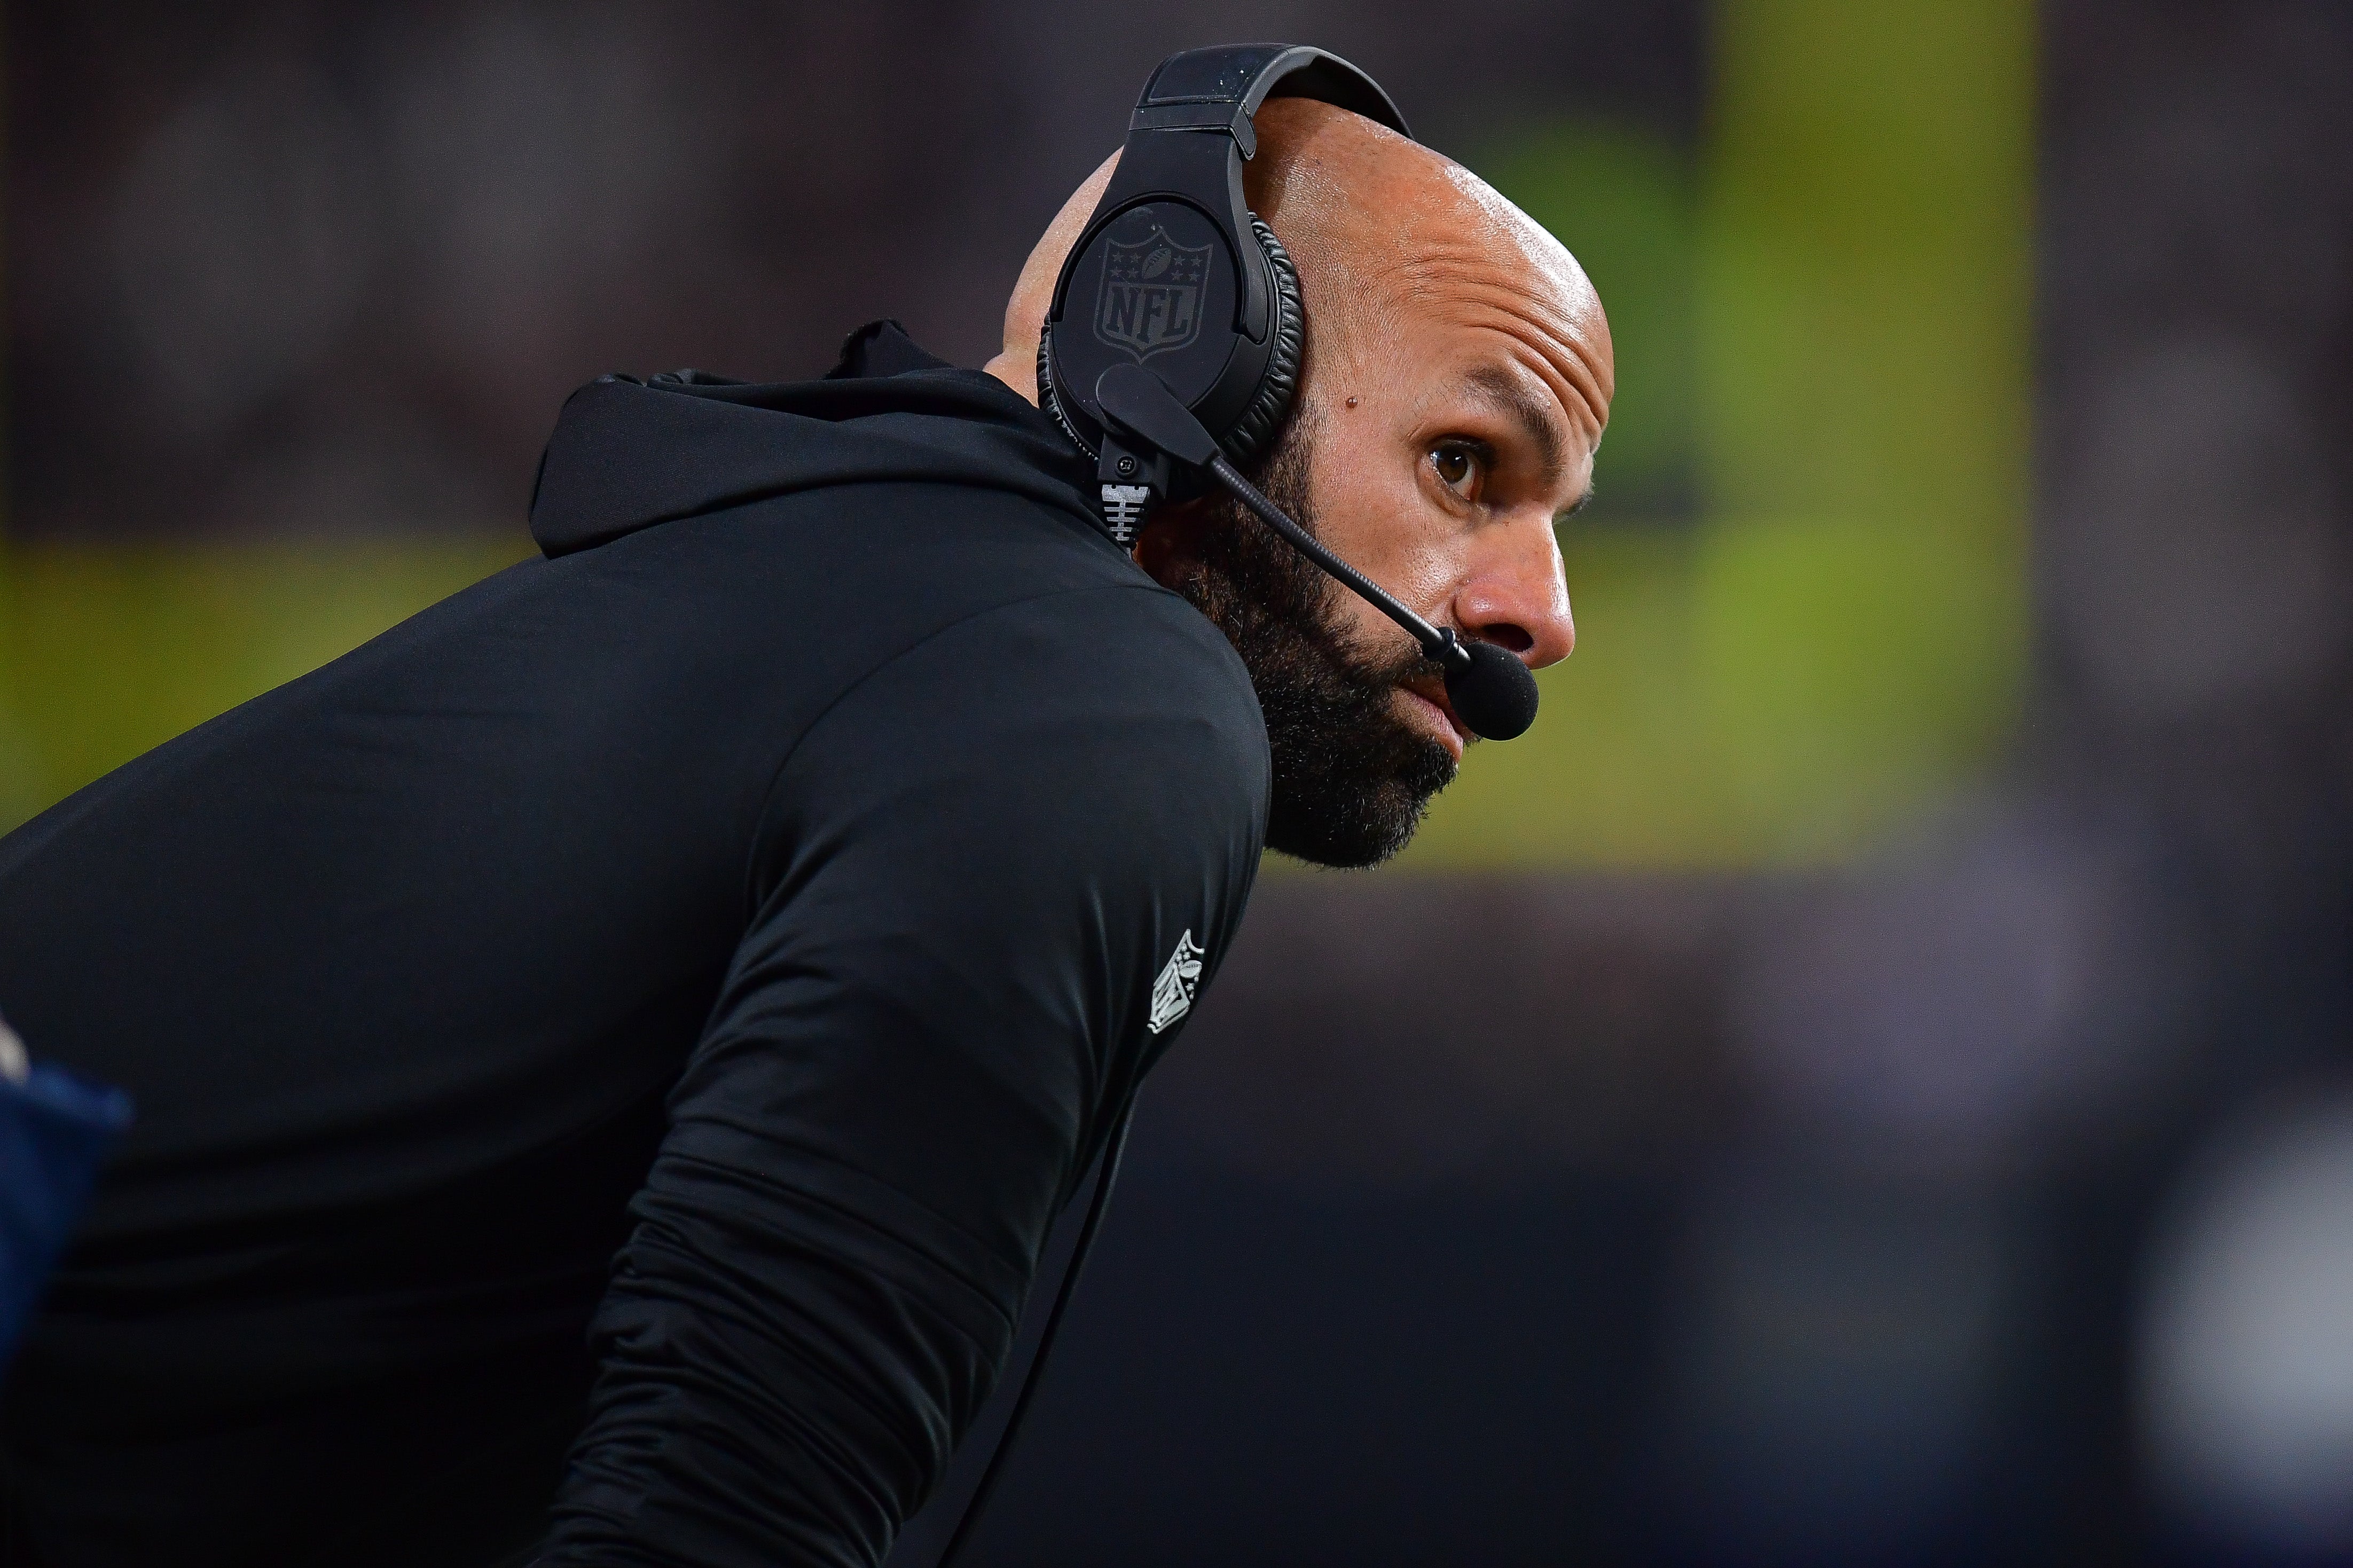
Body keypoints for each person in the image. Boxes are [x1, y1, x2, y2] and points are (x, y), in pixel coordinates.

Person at [0, 80, 1609, 1568]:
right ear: (1176, 364)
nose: (1545, 613)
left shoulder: (857, 603)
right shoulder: (1109, 694)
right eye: (1466, 464)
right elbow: (726, 1515)